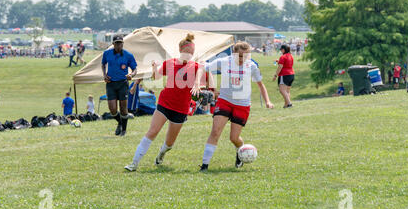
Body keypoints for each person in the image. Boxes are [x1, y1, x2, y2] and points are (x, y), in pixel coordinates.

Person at [124, 34, 203, 172]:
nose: (189, 55)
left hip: (181, 108)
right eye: (187, 52)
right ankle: (134, 163)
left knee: (170, 143)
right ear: (181, 51)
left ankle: (162, 152)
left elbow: (199, 77)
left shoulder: (197, 66)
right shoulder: (170, 63)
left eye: (191, 52)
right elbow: (157, 76)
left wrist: (197, 85)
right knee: (152, 131)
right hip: (165, 103)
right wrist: (154, 67)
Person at [199, 42, 274, 172]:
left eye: (246, 56)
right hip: (224, 101)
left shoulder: (252, 66)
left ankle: (241, 151)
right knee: (215, 131)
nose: (243, 59)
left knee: (234, 138)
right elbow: (203, 67)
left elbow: (261, 85)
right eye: (240, 56)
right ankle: (204, 166)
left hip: (242, 105)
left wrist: (268, 101)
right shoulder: (223, 61)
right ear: (233, 54)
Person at [101, 34, 137, 136]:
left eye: (120, 43)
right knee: (112, 109)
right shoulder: (107, 53)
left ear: (123, 44)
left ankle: (124, 130)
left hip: (123, 83)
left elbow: (135, 69)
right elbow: (103, 64)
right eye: (116, 43)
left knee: (123, 108)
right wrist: (104, 75)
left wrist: (131, 74)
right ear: (113, 44)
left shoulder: (128, 55)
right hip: (111, 83)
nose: (118, 45)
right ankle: (120, 123)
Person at [273, 44, 294, 108]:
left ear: (284, 49)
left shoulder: (283, 57)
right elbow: (286, 64)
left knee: (282, 90)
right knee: (287, 91)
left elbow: (280, 67)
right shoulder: (290, 56)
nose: (281, 51)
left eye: (281, 49)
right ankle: (286, 104)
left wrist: (275, 75)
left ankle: (289, 103)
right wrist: (278, 61)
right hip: (291, 74)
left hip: (284, 75)